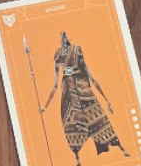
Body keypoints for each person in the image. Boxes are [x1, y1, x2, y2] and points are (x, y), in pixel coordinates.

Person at [44, 32, 128, 164]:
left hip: (82, 89)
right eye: (61, 36)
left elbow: (90, 75)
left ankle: (120, 148)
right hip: (68, 92)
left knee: (97, 116)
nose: (63, 38)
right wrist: (45, 106)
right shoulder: (58, 54)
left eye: (64, 36)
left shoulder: (76, 50)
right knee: (71, 122)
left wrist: (107, 100)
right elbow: (55, 85)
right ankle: (77, 159)